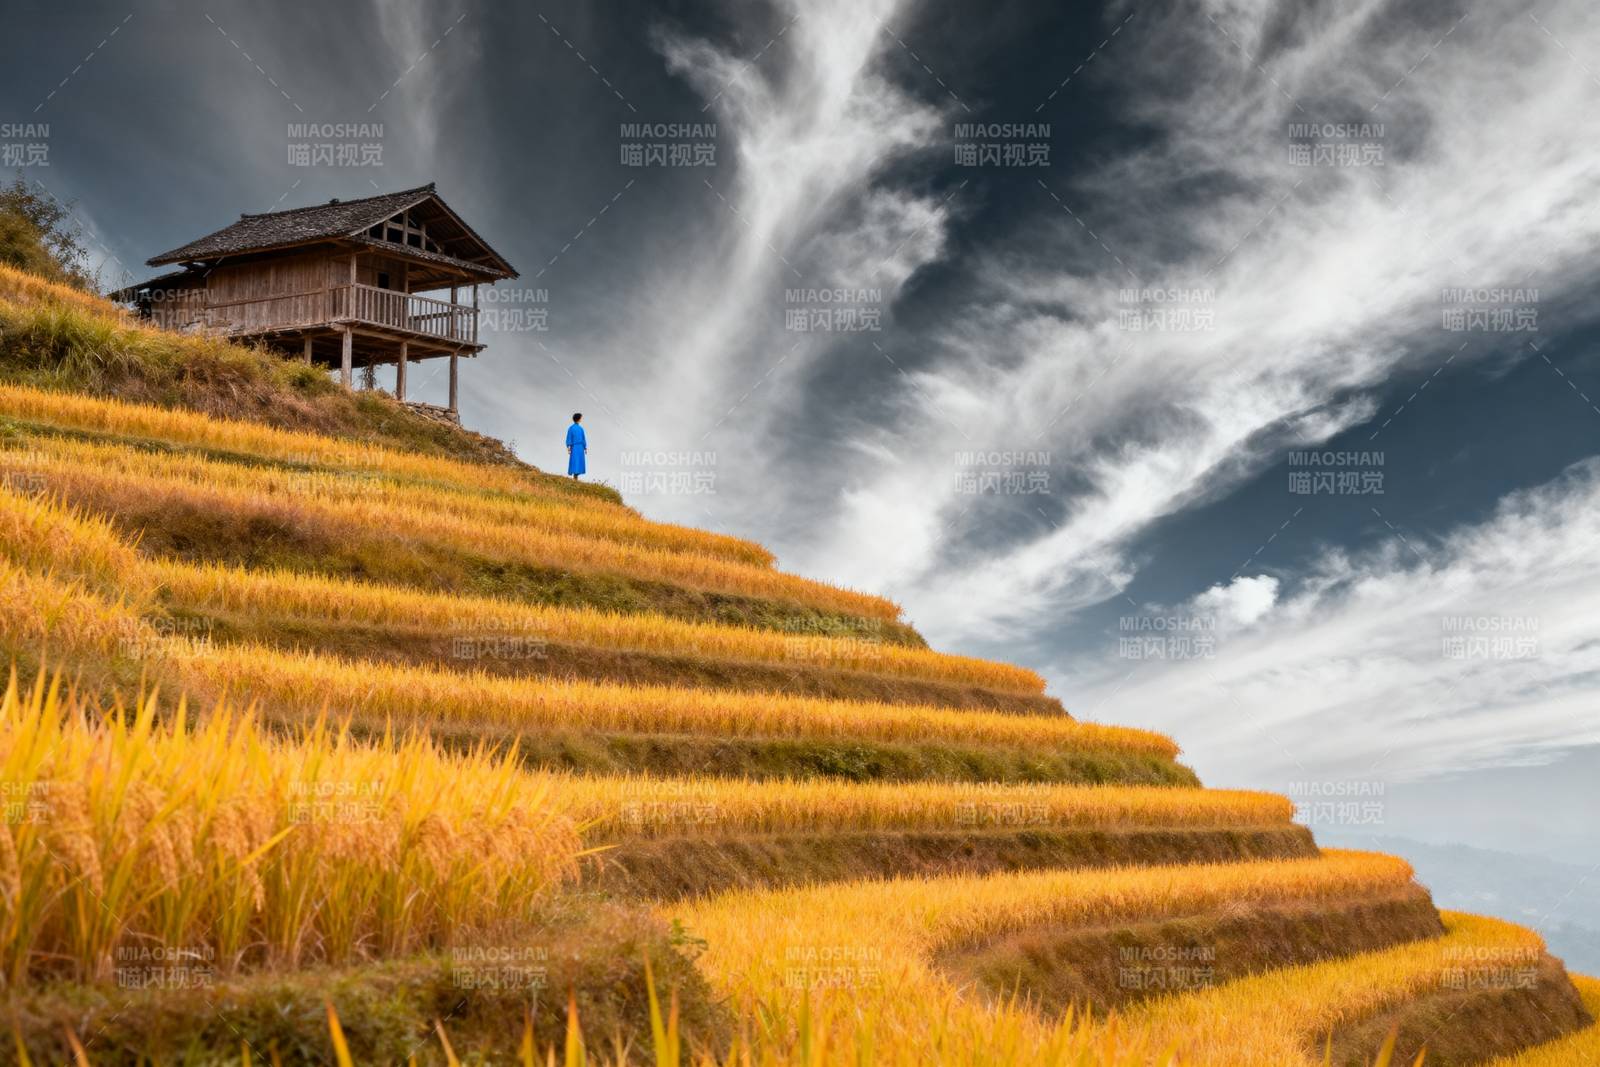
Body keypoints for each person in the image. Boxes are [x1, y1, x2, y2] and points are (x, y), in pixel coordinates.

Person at [565, 412, 587, 479]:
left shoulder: (579, 428)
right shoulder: (573, 428)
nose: (581, 419)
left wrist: (585, 447)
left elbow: (583, 438)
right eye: (580, 418)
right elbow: (569, 438)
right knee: (575, 461)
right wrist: (569, 447)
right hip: (575, 447)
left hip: (579, 447)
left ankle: (576, 477)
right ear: (578, 419)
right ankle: (575, 477)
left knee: (578, 462)